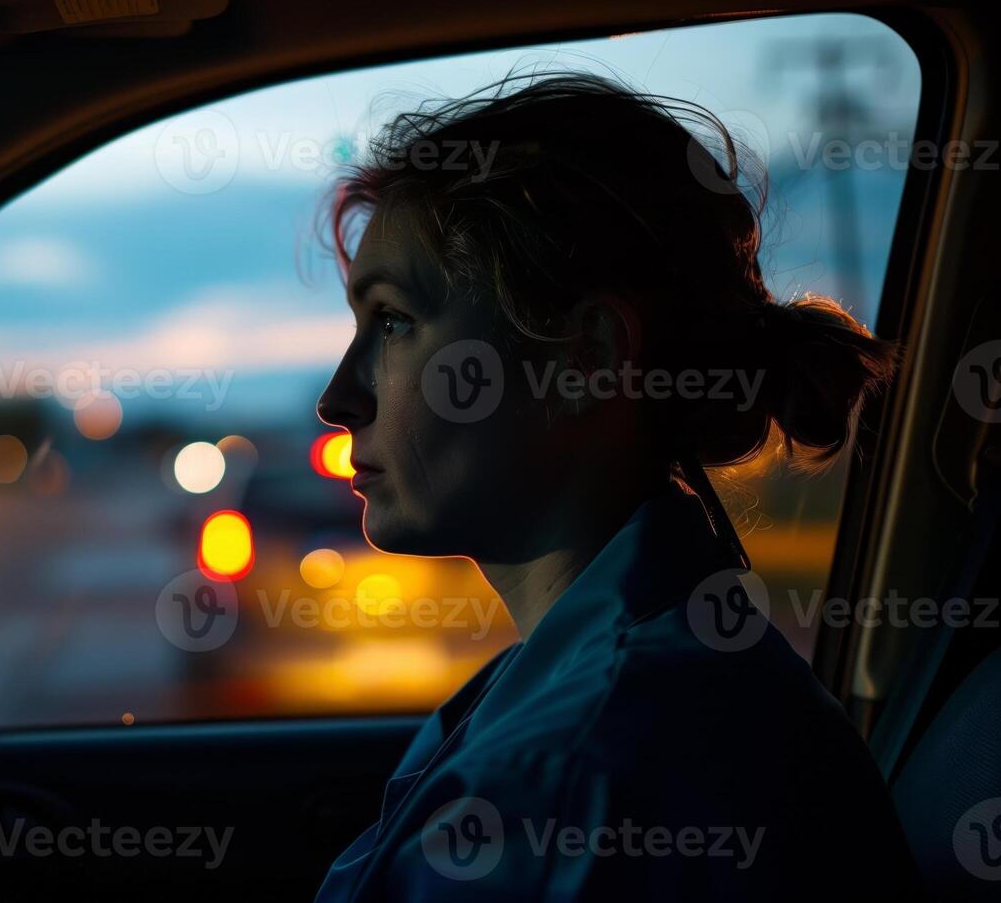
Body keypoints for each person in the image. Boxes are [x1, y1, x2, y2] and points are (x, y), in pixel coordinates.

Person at [312, 73, 922, 900]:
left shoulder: (563, 783)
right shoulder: (626, 679)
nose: (338, 398)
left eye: (393, 321)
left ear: (586, 357)